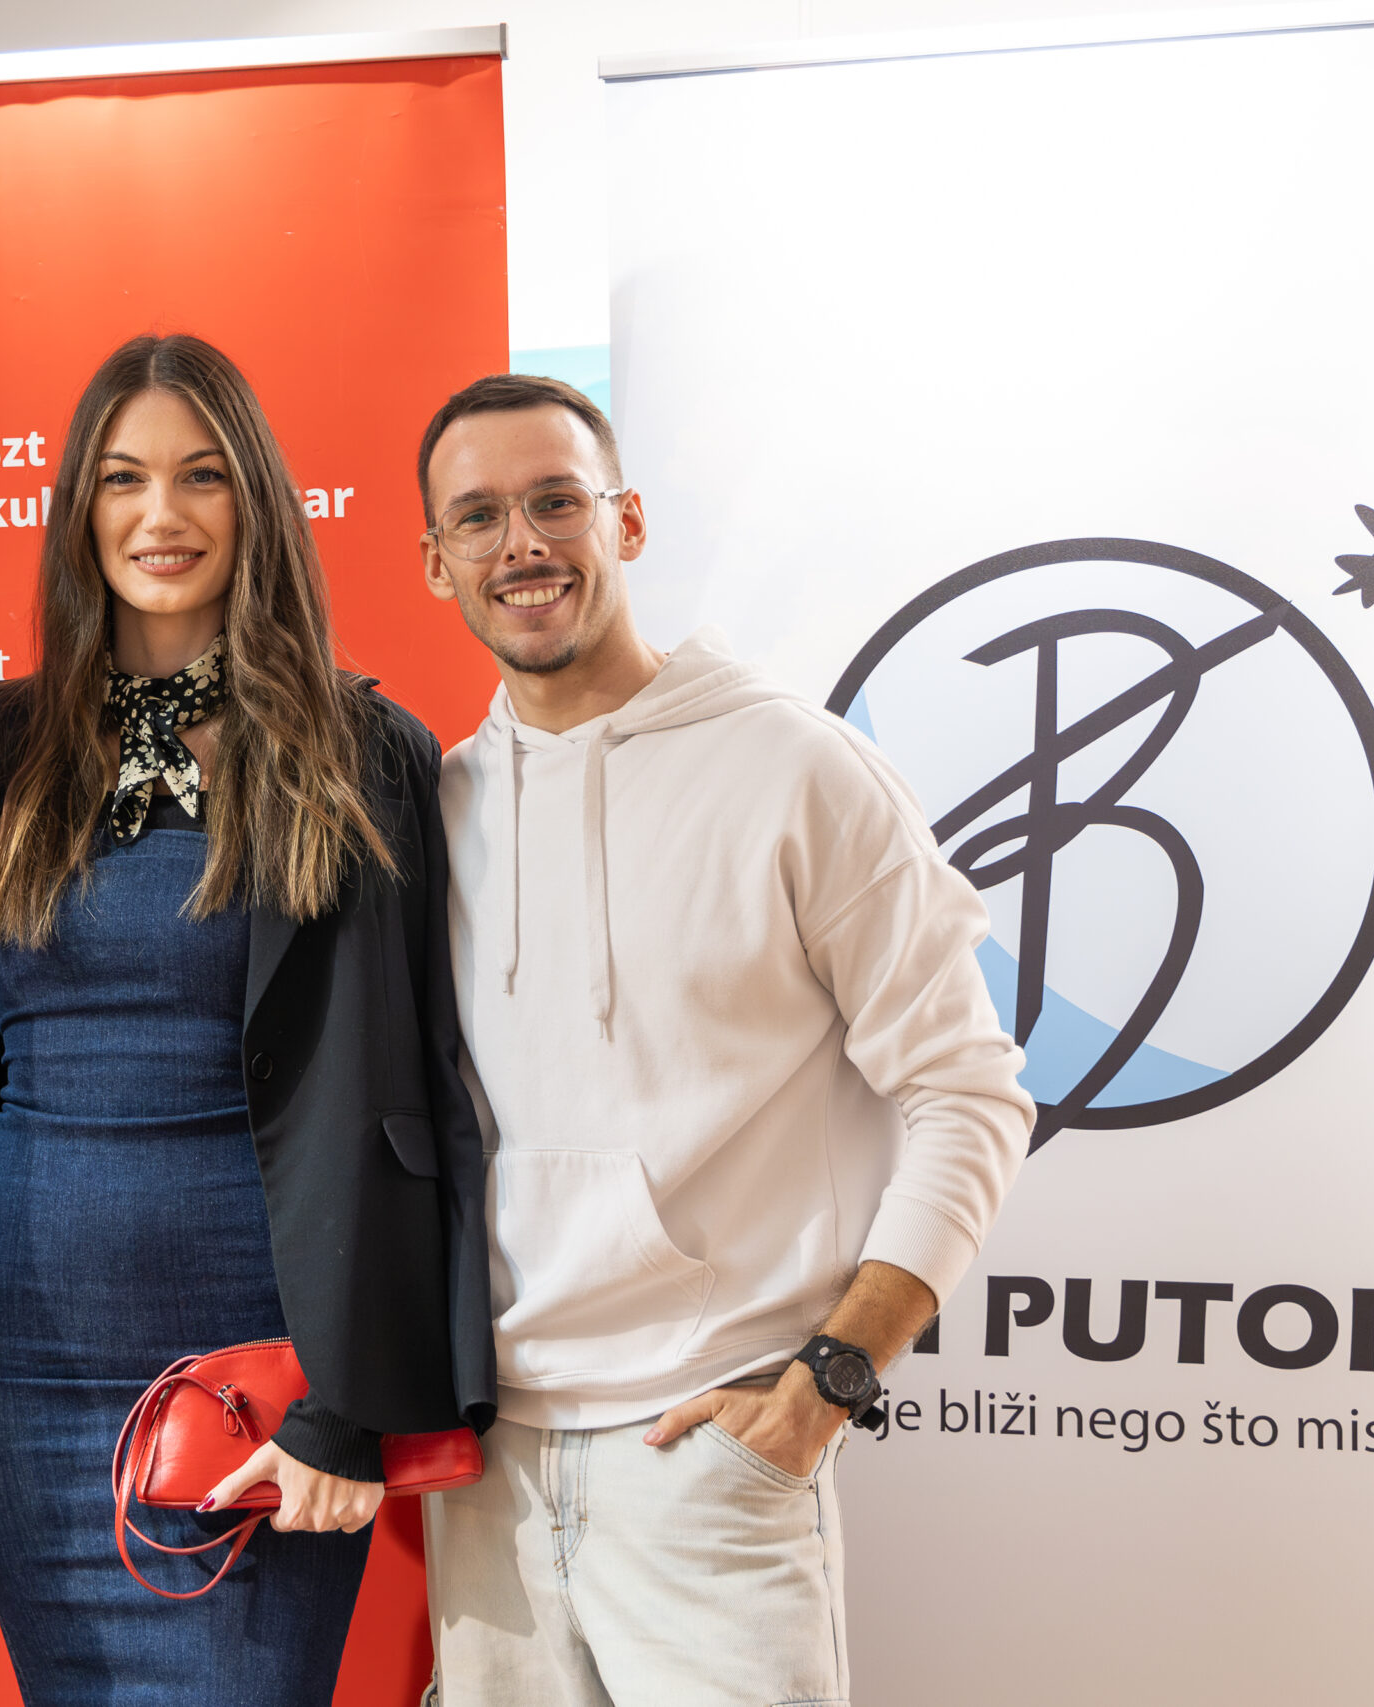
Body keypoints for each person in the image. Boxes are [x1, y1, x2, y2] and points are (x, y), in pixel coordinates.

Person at [414, 373, 1035, 1707]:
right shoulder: (440, 809)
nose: (522, 544)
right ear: (436, 561)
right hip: (487, 1475)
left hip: (707, 1453)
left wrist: (832, 1378)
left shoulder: (798, 770)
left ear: (626, 521)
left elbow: (969, 1092)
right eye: (478, 517)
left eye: (557, 502)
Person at [0, 333, 493, 1703]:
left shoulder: (363, 755)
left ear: (257, 502)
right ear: (79, 508)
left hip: (264, 1369)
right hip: (27, 1371)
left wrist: (350, 1402)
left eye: (201, 476)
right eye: (122, 479)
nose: (159, 515)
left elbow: (422, 1092)